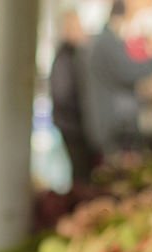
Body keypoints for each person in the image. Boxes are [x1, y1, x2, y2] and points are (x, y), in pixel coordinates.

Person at [80, 0, 152, 160]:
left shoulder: (107, 40)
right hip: (113, 123)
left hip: (113, 120)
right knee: (121, 167)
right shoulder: (107, 41)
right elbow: (128, 71)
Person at [49, 9, 100, 184]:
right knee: (81, 175)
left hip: (74, 125)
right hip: (73, 127)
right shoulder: (66, 57)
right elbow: (64, 94)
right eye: (77, 26)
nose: (81, 31)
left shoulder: (75, 54)